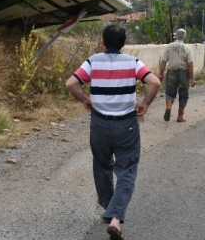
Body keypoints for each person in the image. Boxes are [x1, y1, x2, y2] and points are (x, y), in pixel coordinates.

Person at [65, 25, 161, 240]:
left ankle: (109, 209)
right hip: (126, 125)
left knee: (102, 166)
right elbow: (154, 81)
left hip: (99, 123)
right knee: (126, 170)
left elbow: (71, 83)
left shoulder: (92, 61)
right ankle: (116, 218)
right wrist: (145, 103)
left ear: (103, 42)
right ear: (124, 43)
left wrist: (84, 100)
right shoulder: (133, 62)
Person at [158, 28, 196, 123]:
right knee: (183, 94)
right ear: (185, 37)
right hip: (183, 73)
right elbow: (190, 64)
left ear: (175, 36)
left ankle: (168, 107)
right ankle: (180, 116)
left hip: (171, 72)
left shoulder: (168, 47)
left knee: (170, 92)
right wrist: (192, 79)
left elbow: (163, 62)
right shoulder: (187, 48)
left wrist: (160, 74)